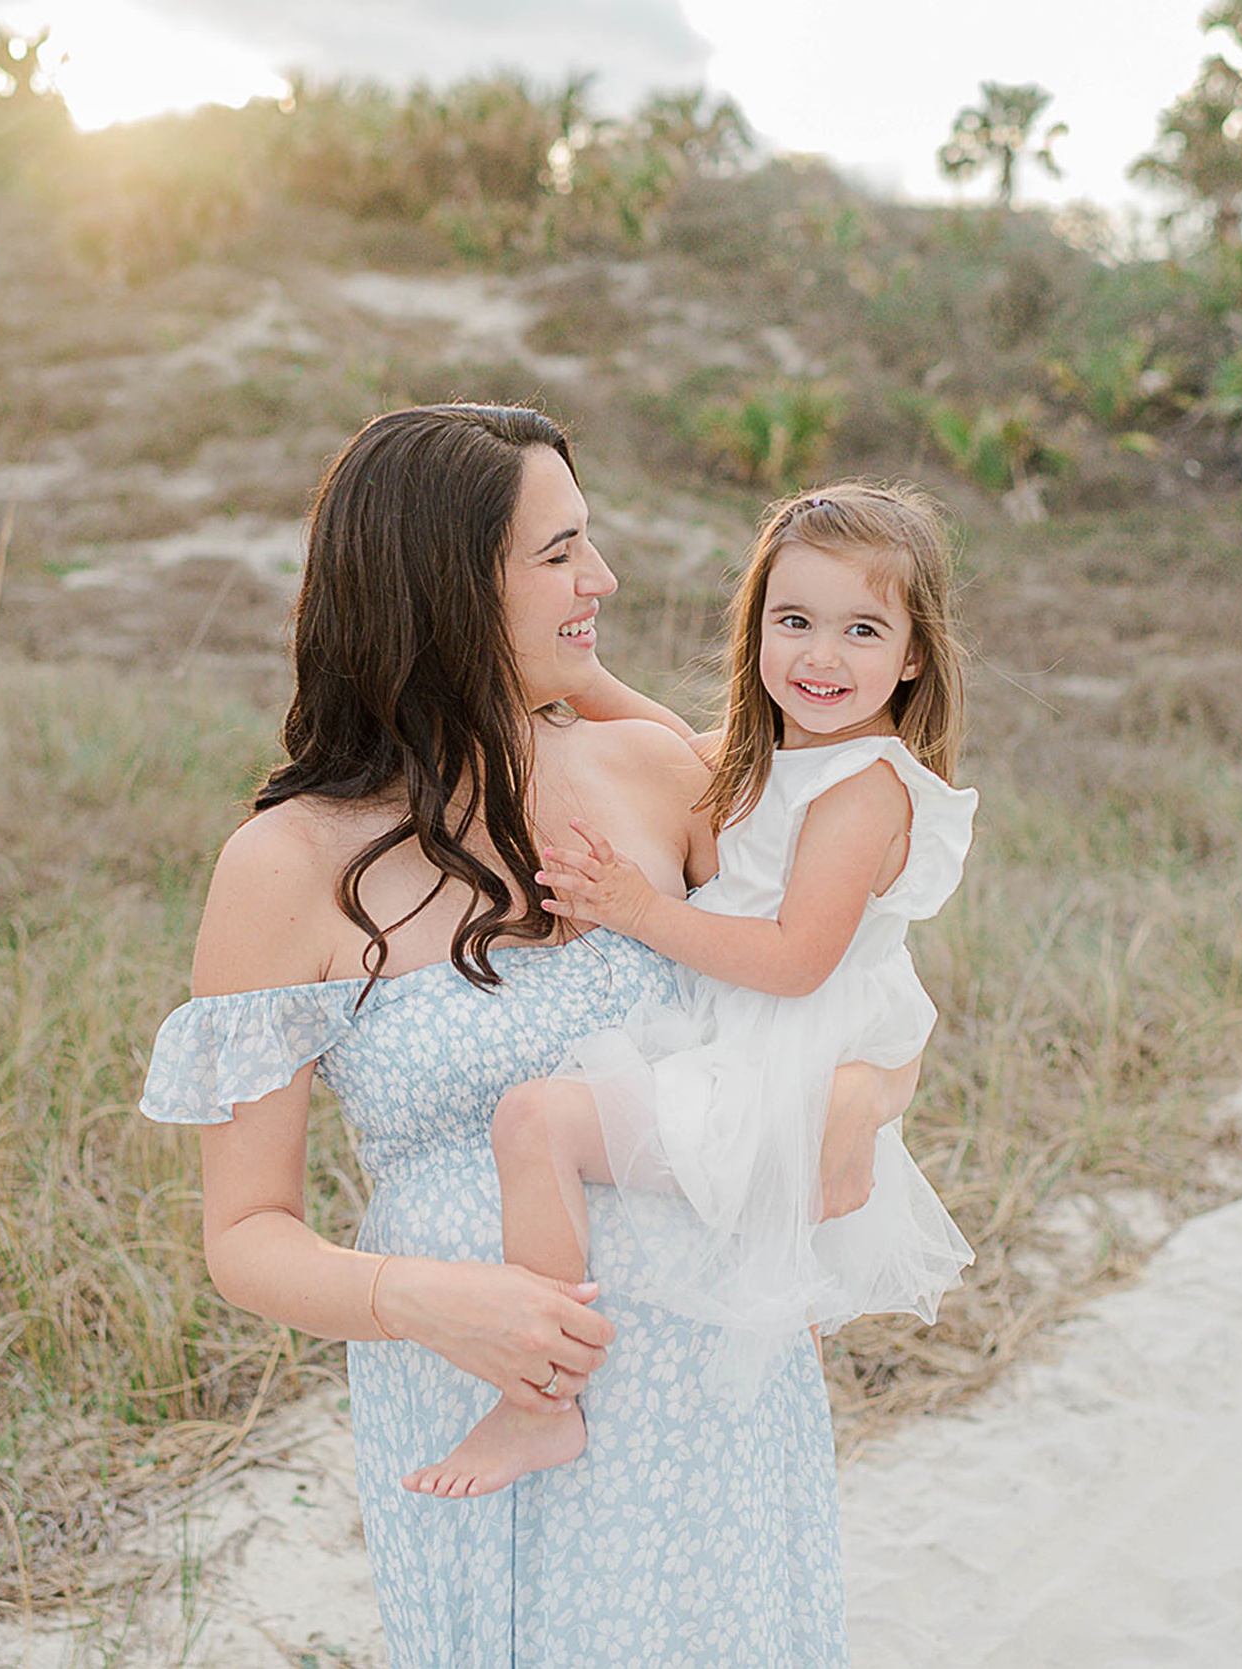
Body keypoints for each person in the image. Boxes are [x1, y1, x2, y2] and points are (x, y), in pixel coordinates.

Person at [138, 405, 918, 1666]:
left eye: (588, 541)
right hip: (482, 1408)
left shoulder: (656, 772)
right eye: (558, 552)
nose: (599, 580)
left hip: (721, 1402)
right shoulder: (286, 865)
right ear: (446, 586)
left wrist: (867, 1099)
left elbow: (842, 988)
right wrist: (427, 1299)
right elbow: (245, 1239)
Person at [406, 481, 977, 1500]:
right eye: (792, 621)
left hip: (781, 1070)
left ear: (914, 654)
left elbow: (798, 957)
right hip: (752, 1054)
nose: (820, 656)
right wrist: (548, 662)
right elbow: (660, 738)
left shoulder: (864, 788)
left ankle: (540, 1401)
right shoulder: (772, 759)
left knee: (537, 1123)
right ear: (754, 623)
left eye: (861, 630)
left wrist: (634, 907)